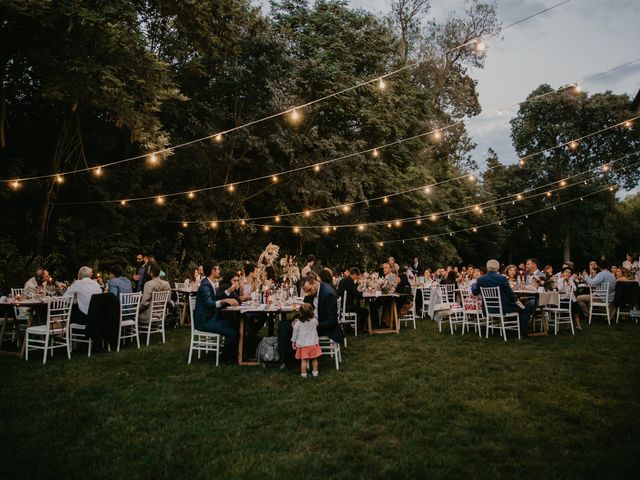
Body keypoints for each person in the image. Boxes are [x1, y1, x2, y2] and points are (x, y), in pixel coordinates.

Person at [194, 262, 240, 363]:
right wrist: (224, 300)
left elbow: (215, 298)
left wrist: (228, 291)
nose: (219, 271)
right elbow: (209, 303)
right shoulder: (205, 286)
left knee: (234, 325)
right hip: (205, 322)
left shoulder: (210, 282)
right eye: (218, 269)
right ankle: (225, 359)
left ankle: (235, 354)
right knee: (232, 333)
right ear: (212, 271)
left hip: (211, 318)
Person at [472, 259, 531, 337]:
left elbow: (475, 292)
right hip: (503, 308)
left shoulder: (481, 279)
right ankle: (523, 331)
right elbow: (510, 295)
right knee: (524, 308)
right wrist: (515, 299)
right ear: (497, 268)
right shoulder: (502, 279)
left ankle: (512, 325)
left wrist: (473, 286)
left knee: (518, 306)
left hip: (488, 309)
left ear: (487, 268)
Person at [291, 303, 322, 378]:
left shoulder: (298, 323)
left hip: (303, 345)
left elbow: (295, 333)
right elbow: (317, 324)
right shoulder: (314, 321)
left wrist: (293, 341)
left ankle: (304, 374)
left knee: (304, 360)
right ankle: (315, 372)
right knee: (314, 359)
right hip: (313, 344)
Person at [337, 267, 369, 332]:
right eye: (357, 276)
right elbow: (355, 293)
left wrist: (357, 284)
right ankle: (360, 328)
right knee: (365, 311)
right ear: (354, 274)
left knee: (358, 307)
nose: (357, 277)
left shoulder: (345, 280)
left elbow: (352, 290)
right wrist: (363, 293)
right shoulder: (349, 281)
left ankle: (354, 326)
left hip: (343, 305)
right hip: (347, 307)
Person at [556, 266, 581, 331]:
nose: (568, 273)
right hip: (563, 300)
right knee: (571, 308)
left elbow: (575, 289)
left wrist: (570, 283)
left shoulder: (571, 281)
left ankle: (578, 326)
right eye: (566, 272)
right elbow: (560, 289)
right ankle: (568, 325)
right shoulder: (559, 280)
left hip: (571, 300)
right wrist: (564, 281)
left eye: (569, 273)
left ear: (571, 274)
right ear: (562, 273)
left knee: (575, 311)